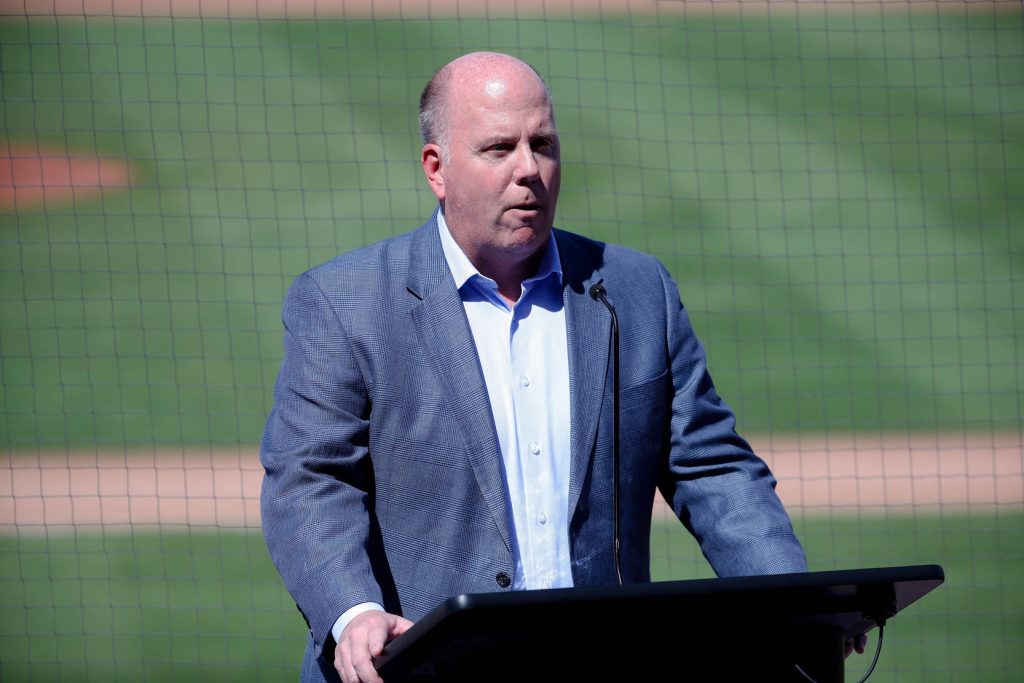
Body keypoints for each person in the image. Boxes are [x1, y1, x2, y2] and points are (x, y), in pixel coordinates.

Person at [260, 51, 809, 683]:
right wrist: (353, 612)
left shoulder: (633, 289)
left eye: (542, 143)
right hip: (415, 670)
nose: (530, 170)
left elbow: (710, 465)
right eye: (498, 148)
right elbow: (309, 479)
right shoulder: (345, 301)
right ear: (436, 170)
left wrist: (793, 603)